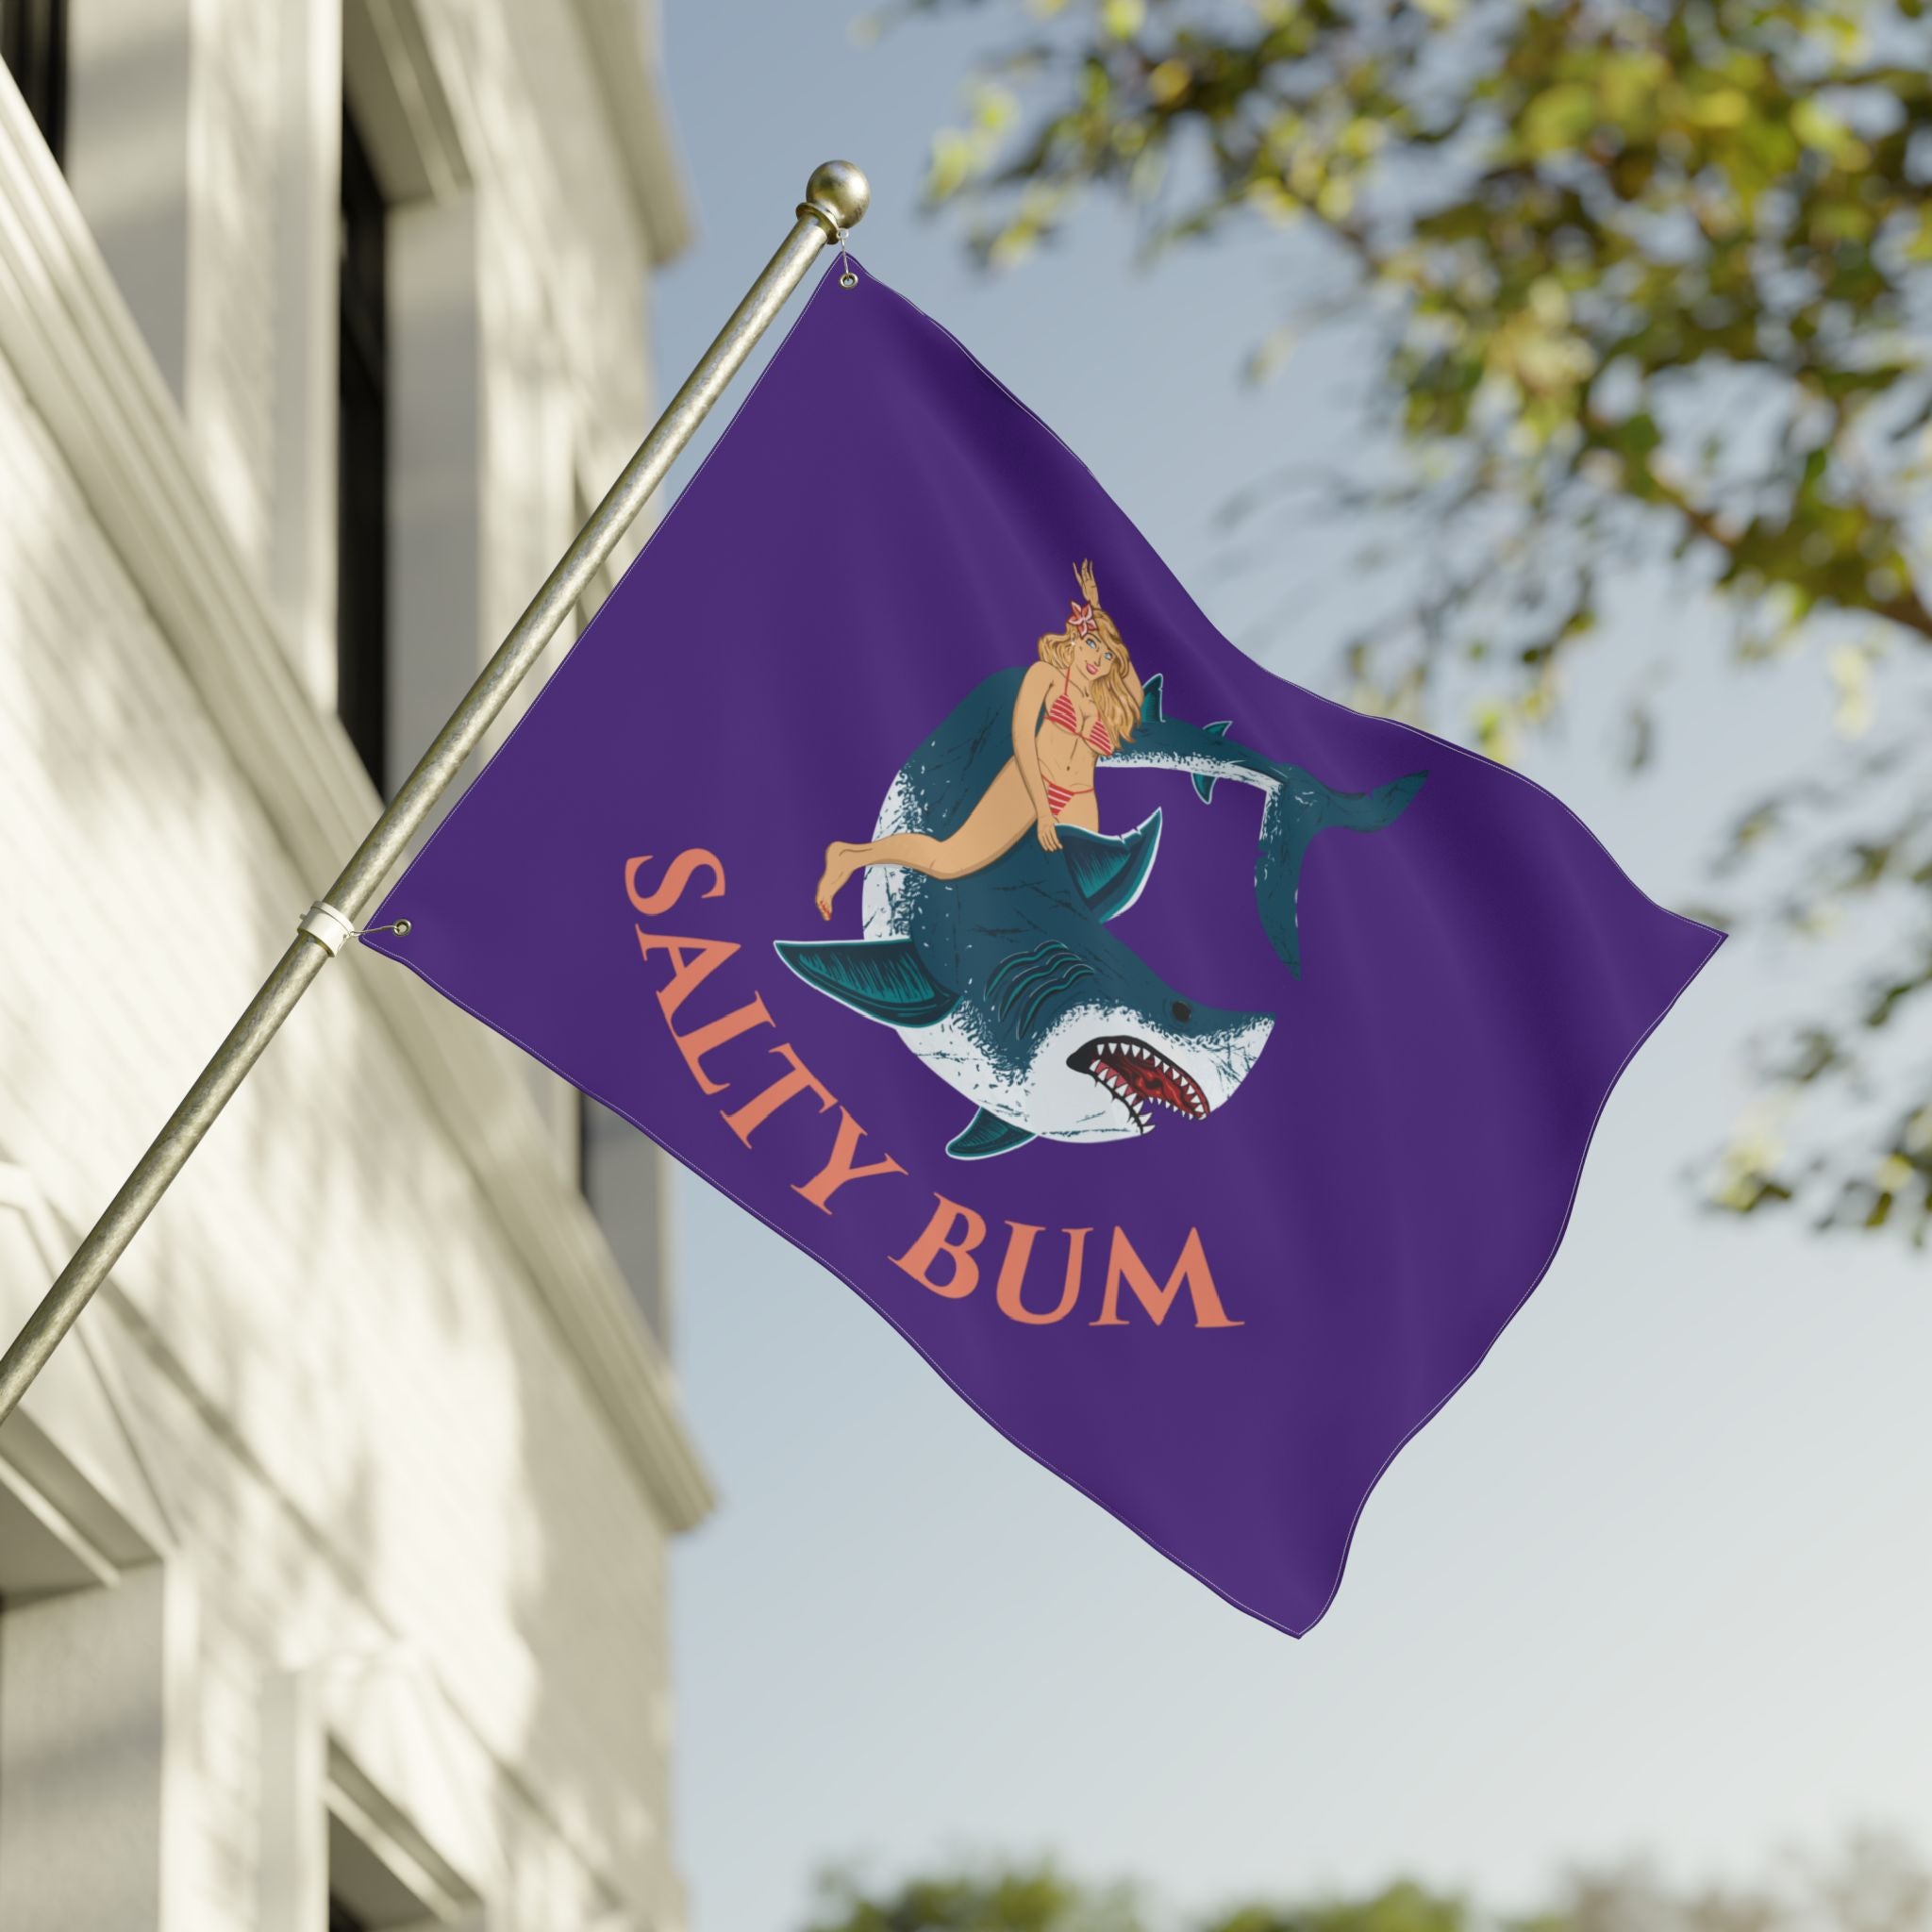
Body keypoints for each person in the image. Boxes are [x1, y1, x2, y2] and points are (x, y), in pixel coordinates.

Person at [815, 560, 1144, 920]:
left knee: (1076, 897)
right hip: (1031, 780)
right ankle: (850, 856)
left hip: (1081, 799)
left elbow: (1136, 691)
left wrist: (1097, 609)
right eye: (1092, 643)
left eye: (1108, 655)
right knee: (949, 860)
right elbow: (1021, 736)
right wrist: (1044, 810)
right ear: (1076, 639)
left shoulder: (1104, 703)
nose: (1098, 658)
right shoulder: (1046, 675)